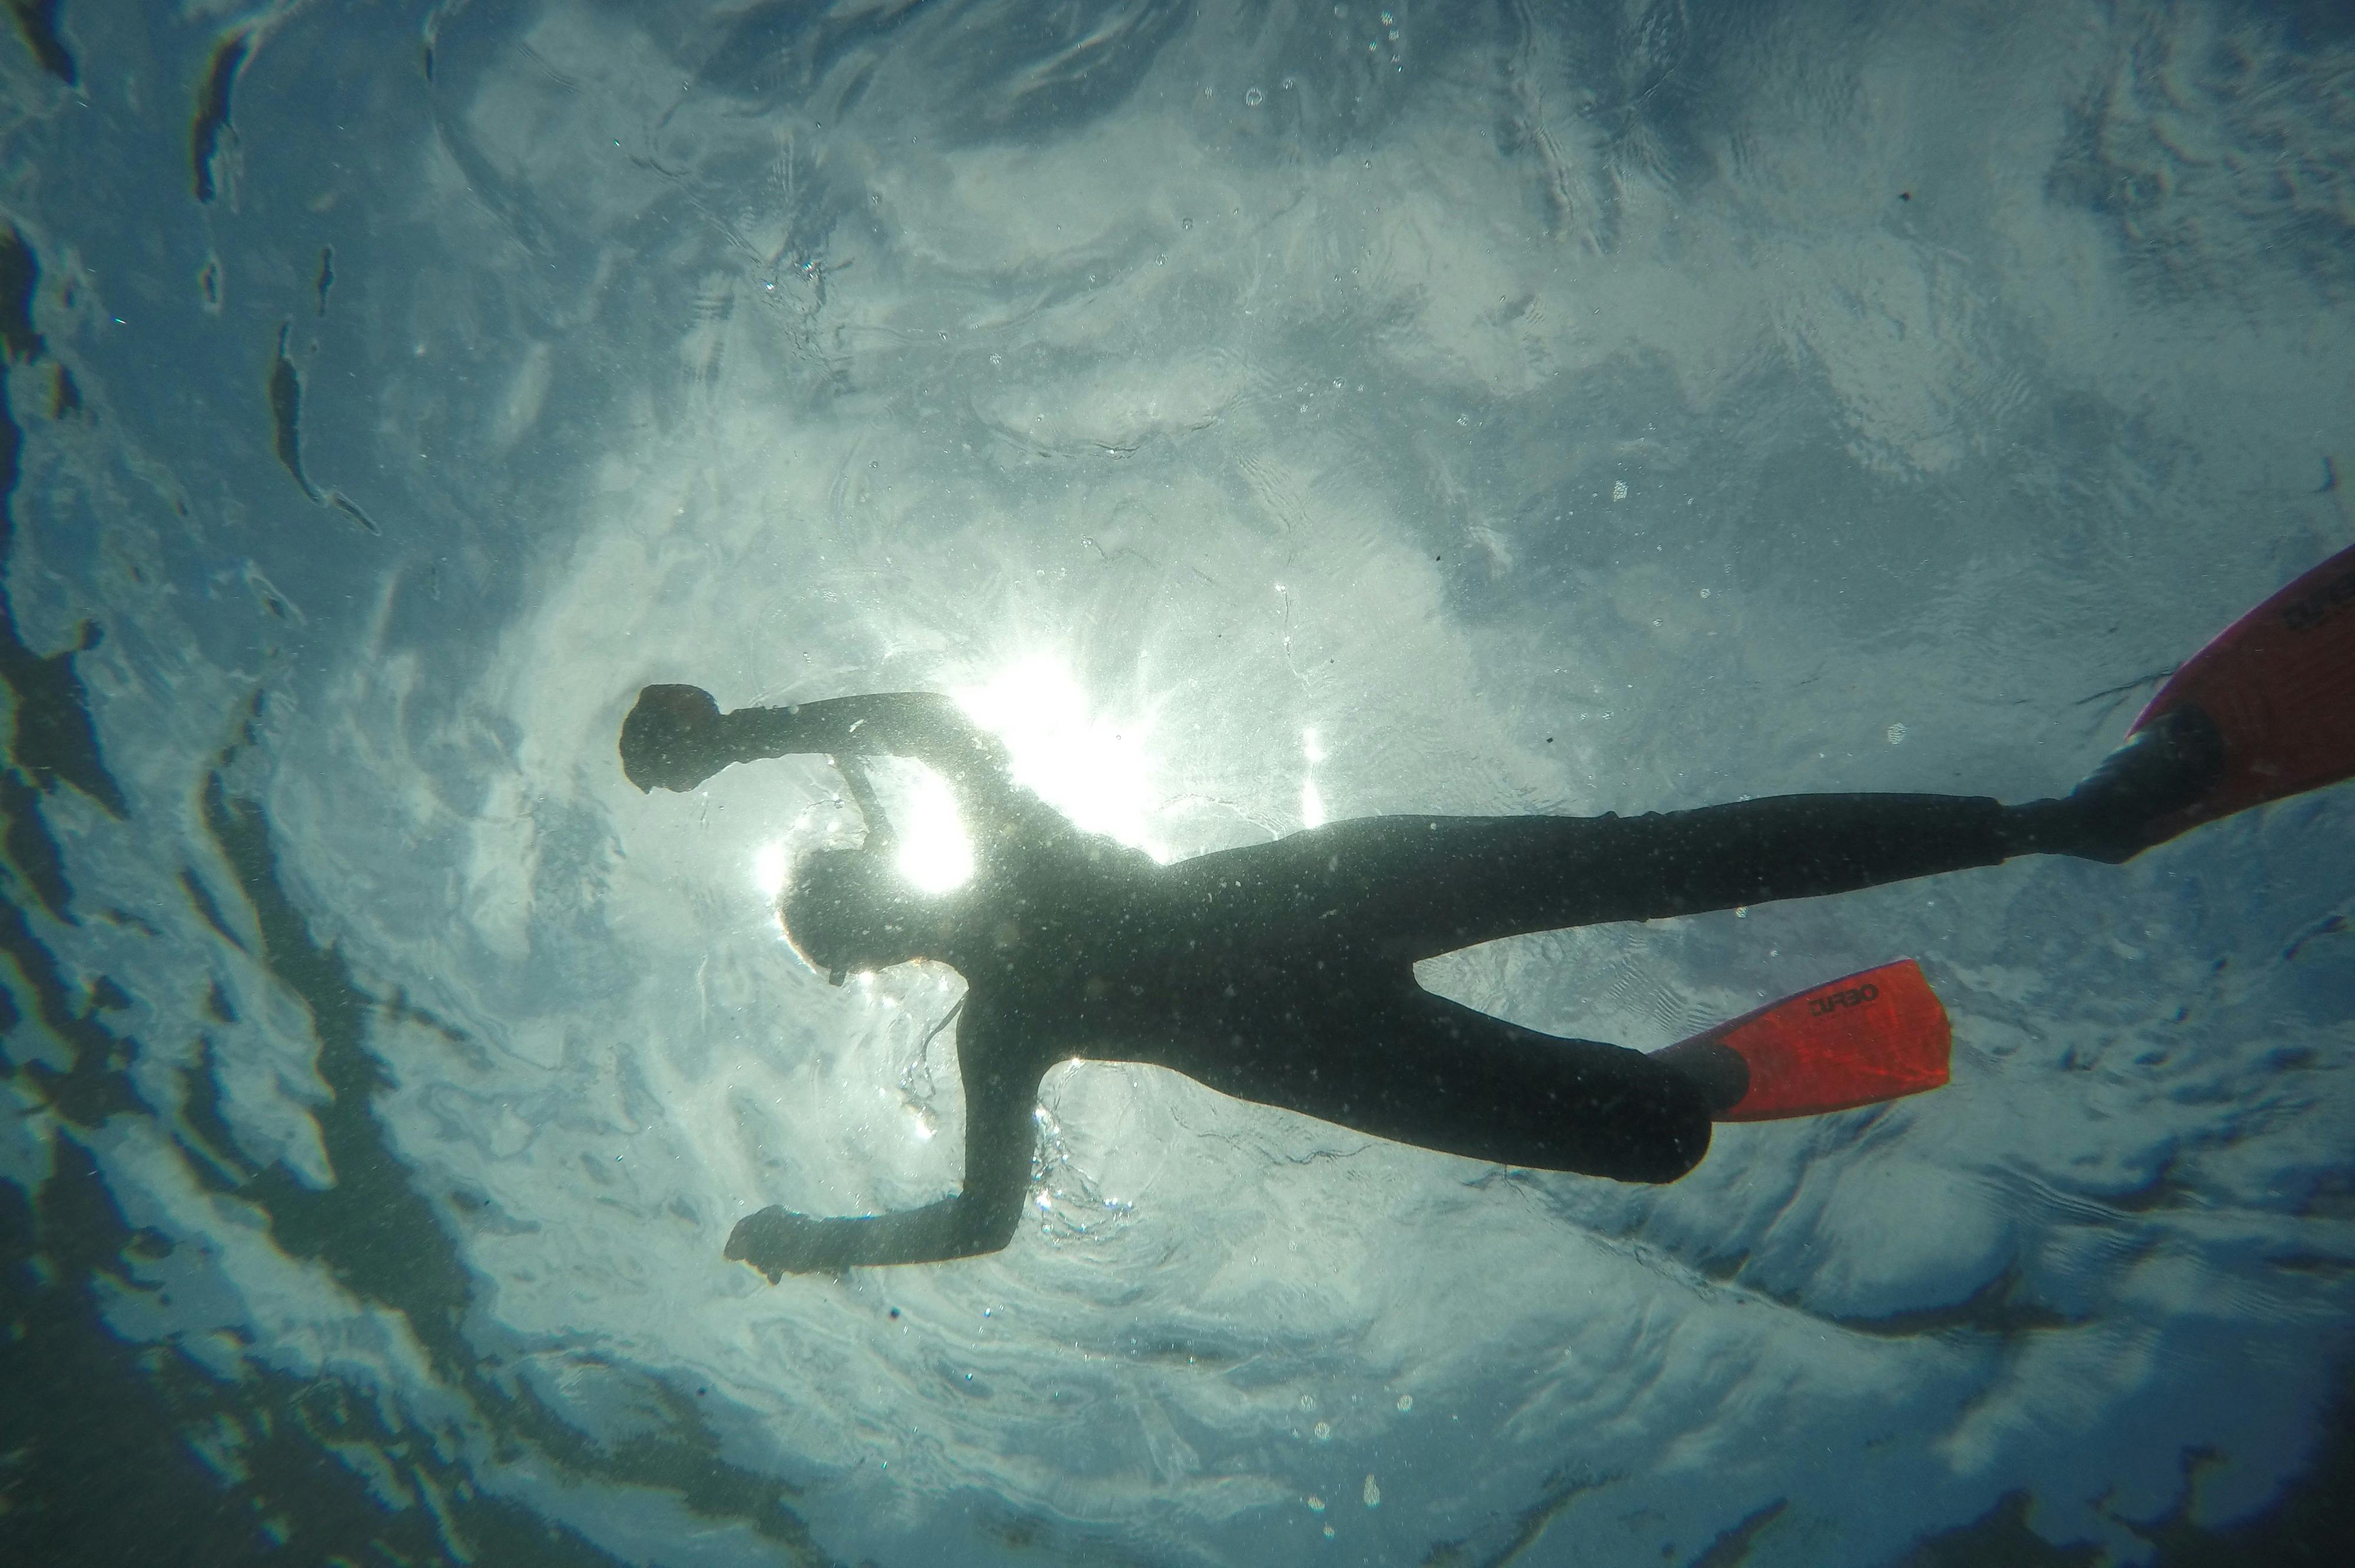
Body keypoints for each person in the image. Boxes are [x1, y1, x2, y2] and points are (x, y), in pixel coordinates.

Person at [618, 540, 2355, 1281]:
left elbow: (924, 725)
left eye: (842, 884)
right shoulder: (999, 1024)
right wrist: (818, 1242)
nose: (861, 902)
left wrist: (739, 735)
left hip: (1324, 901)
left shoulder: (1005, 874)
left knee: (1645, 854)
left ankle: (2070, 820)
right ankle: (1695, 1077)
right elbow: (983, 1224)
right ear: (870, 947)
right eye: (841, 921)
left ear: (873, 883)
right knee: (1647, 1137)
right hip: (1306, 1029)